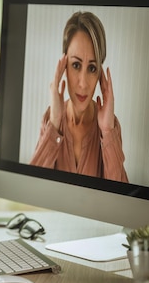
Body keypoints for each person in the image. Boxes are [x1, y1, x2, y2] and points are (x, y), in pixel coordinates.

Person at [30, 11, 128, 182]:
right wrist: (54, 123)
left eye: (92, 68)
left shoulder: (111, 127)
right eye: (76, 65)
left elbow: (120, 202)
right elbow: (30, 186)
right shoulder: (50, 119)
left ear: (99, 73)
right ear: (64, 67)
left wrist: (107, 130)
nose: (83, 84)